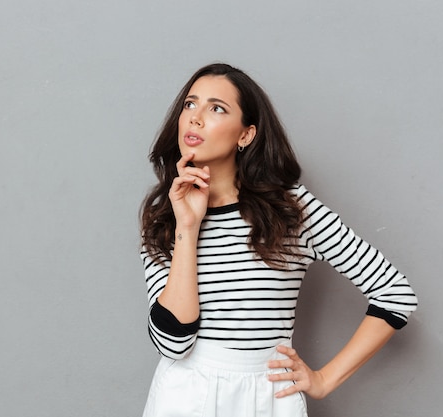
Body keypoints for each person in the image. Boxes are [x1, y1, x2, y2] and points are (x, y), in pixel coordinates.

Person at [139, 63, 417, 417]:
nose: (195, 118)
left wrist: (324, 380)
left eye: (217, 108)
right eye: (190, 105)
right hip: (183, 396)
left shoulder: (290, 210)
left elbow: (395, 294)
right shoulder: (164, 218)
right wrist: (187, 228)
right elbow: (173, 344)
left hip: (267, 398)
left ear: (246, 135)